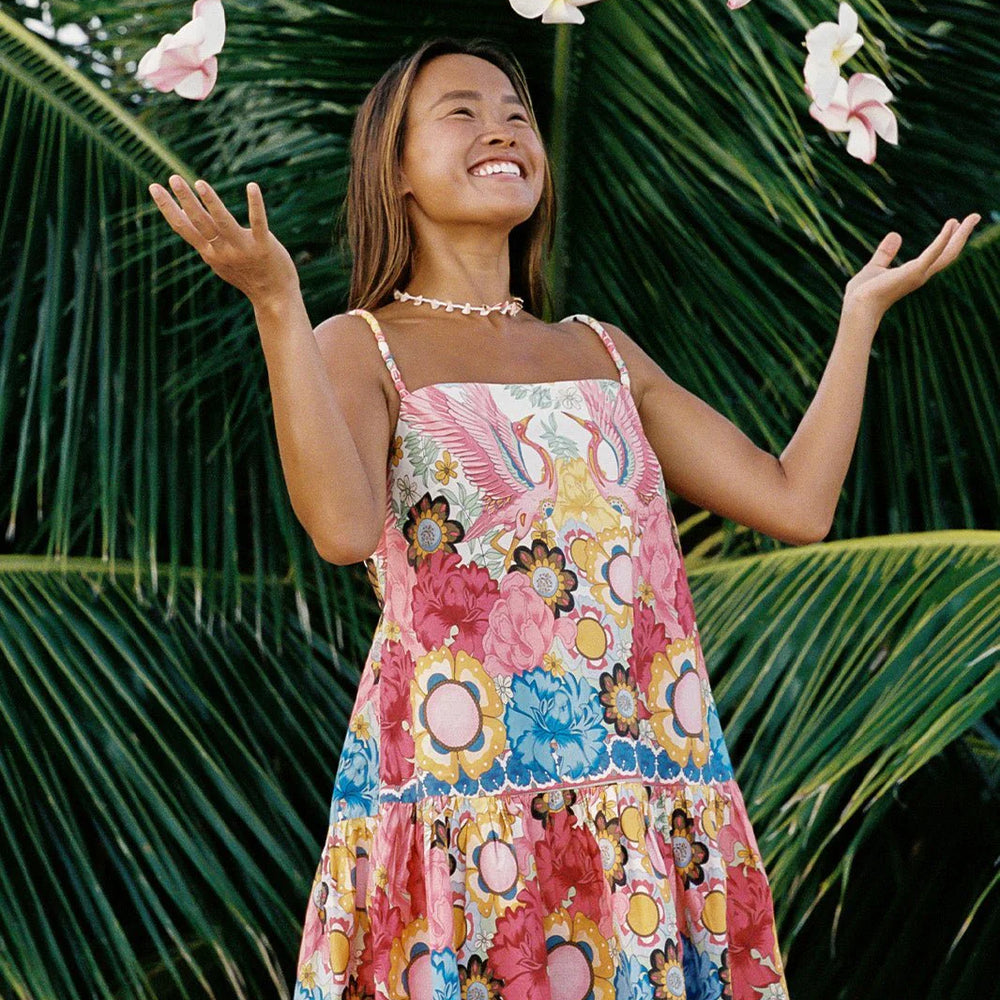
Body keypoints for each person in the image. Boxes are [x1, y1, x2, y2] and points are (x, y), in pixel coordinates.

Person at [148, 34, 979, 1000]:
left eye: (516, 113)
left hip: (637, 807)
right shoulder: (359, 344)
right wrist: (279, 306)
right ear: (398, 169)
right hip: (472, 803)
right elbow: (340, 530)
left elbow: (795, 502)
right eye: (461, 111)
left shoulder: (603, 351)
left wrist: (858, 319)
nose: (501, 127)